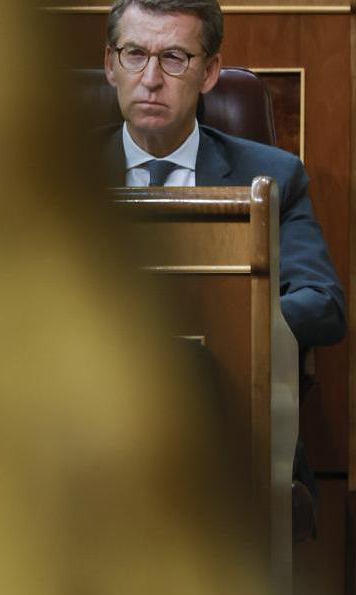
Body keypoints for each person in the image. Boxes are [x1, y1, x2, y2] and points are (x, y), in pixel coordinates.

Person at [100, 0, 346, 537]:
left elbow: (323, 301)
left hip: (226, 430)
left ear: (209, 72)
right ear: (109, 64)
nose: (150, 79)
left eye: (174, 58)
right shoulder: (56, 180)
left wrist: (230, 324)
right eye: (135, 54)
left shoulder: (270, 175)